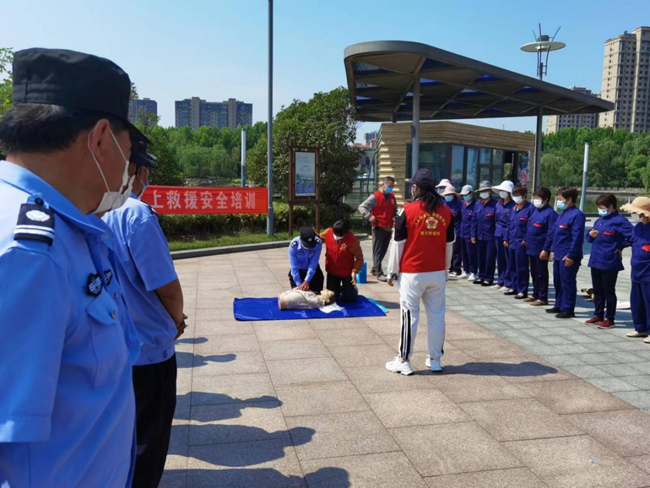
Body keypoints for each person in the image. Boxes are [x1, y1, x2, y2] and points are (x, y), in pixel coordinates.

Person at [0, 48, 145, 486]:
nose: (128, 168)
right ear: (100, 139)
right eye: (128, 148)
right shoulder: (30, 254)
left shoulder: (61, 227)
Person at [102, 142, 186, 487]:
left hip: (110, 349)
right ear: (136, 172)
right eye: (145, 170)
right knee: (147, 448)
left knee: (118, 445)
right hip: (149, 352)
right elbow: (167, 288)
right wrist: (177, 321)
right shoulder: (136, 215)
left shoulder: (92, 208)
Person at [384, 169, 454, 375]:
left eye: (412, 186)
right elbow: (450, 244)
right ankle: (435, 359)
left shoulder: (406, 210)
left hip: (412, 272)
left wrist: (392, 271)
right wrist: (445, 269)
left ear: (416, 188)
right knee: (437, 316)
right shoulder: (446, 211)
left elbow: (398, 243)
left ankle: (404, 360)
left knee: (409, 315)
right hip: (437, 272)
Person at [584, 193, 634, 329]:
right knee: (597, 290)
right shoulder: (600, 220)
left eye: (602, 207)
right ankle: (598, 315)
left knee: (609, 291)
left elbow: (633, 236)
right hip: (596, 260)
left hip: (609, 261)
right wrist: (590, 235)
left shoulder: (620, 221)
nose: (600, 209)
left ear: (611, 206)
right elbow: (588, 238)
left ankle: (609, 318)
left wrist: (620, 246)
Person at [547, 187, 585, 319]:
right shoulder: (562, 214)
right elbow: (556, 234)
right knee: (558, 281)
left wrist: (571, 255)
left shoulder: (577, 215)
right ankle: (559, 304)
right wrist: (552, 250)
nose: (558, 201)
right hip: (558, 253)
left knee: (567, 282)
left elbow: (577, 238)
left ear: (569, 200)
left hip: (568, 255)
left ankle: (568, 308)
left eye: (560, 199)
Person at [622, 197, 650, 341]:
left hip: (648, 273)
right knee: (637, 302)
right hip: (637, 271)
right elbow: (630, 240)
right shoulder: (638, 227)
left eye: (636, 212)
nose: (634, 215)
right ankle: (640, 328)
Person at [358, 176, 396, 282]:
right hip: (378, 226)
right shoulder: (375, 197)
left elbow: (394, 209)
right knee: (378, 251)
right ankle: (379, 273)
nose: (390, 189)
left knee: (383, 250)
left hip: (388, 226)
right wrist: (369, 216)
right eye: (389, 186)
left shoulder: (392, 197)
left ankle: (375, 269)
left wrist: (396, 216)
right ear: (383, 185)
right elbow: (361, 207)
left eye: (392, 187)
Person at [525, 186, 558, 307]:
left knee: (541, 273)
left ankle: (543, 297)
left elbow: (550, 233)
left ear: (546, 199)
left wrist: (546, 249)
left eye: (538, 198)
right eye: (534, 197)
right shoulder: (535, 210)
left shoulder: (550, 213)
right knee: (534, 272)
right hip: (532, 247)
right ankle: (535, 293)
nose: (535, 200)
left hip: (541, 248)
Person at [318, 219, 364, 302]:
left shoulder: (352, 240)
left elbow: (359, 258)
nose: (337, 236)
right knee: (330, 298)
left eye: (340, 235)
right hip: (332, 271)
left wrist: (354, 271)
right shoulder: (328, 232)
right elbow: (319, 237)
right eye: (335, 234)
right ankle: (338, 289)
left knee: (349, 298)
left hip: (346, 272)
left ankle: (351, 290)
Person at [504, 185, 534, 299]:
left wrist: (525, 239)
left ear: (525, 195)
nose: (516, 197)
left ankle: (522, 289)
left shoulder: (530, 208)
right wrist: (505, 238)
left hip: (521, 242)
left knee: (522, 266)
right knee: (512, 265)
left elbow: (531, 227)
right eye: (514, 195)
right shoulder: (514, 208)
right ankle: (514, 286)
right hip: (512, 241)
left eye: (518, 195)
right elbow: (508, 225)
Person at [472, 181, 498, 286]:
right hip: (479, 235)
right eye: (481, 191)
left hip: (491, 236)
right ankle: (481, 275)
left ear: (490, 191)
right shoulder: (477, 204)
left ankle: (488, 277)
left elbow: (497, 221)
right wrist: (473, 234)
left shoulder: (495, 204)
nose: (483, 193)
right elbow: (474, 220)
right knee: (480, 256)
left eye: (485, 191)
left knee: (490, 258)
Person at [492, 180, 515, 291]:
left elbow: (512, 223)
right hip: (498, 233)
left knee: (508, 259)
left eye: (504, 190)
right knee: (500, 258)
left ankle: (508, 282)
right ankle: (500, 281)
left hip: (508, 234)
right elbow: (496, 219)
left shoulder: (513, 206)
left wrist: (508, 237)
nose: (502, 192)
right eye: (500, 190)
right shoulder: (498, 204)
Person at [289, 228, 324, 293]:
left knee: (316, 294)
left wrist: (307, 280)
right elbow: (294, 266)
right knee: (298, 294)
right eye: (306, 245)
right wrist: (299, 284)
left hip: (313, 271)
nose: (308, 248)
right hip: (299, 271)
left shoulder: (318, 243)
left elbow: (314, 263)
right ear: (300, 239)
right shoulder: (294, 245)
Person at [442, 185, 463, 277]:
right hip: (446, 229)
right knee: (447, 249)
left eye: (449, 195)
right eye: (446, 195)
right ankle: (449, 267)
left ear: (454, 195)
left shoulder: (459, 204)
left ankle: (456, 269)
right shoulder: (444, 203)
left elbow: (462, 218)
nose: (447, 196)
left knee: (456, 250)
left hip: (457, 229)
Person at [459, 184, 478, 281]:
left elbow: (475, 221)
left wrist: (473, 234)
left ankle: (473, 272)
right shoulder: (463, 204)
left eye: (466, 194)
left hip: (471, 233)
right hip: (463, 232)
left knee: (472, 254)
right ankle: (466, 270)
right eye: (463, 195)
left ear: (471, 193)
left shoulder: (476, 204)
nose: (464, 196)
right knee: (464, 253)